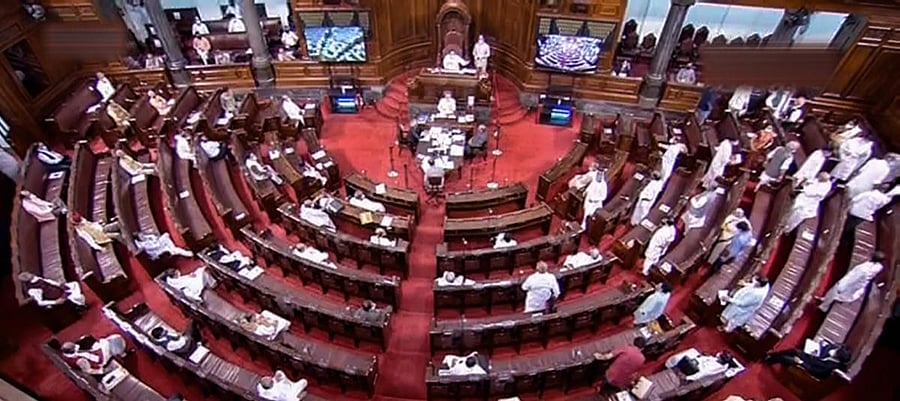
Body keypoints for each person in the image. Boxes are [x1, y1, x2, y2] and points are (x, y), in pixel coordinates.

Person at [819, 252, 884, 312]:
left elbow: (853, 279)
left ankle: (823, 307)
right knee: (833, 292)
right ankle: (825, 299)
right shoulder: (879, 267)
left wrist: (842, 286)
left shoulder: (863, 270)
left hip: (850, 284)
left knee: (834, 292)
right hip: (858, 284)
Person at [764, 341, 850, 380]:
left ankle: (769, 360)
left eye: (835, 353)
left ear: (837, 358)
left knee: (787, 359)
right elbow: (829, 346)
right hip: (812, 358)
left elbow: (814, 370)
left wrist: (800, 362)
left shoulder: (830, 367)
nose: (833, 351)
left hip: (809, 366)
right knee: (794, 351)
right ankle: (772, 355)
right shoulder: (837, 350)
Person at [60, 334, 127, 376]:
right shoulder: (80, 361)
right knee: (109, 344)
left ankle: (118, 351)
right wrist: (104, 370)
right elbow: (89, 370)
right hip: (100, 360)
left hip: (95, 354)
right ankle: (121, 353)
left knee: (103, 343)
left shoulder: (67, 354)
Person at [18, 272, 85, 308]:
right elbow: (40, 302)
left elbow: (48, 281)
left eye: (27, 274)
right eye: (25, 276)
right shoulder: (32, 289)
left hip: (59, 289)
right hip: (57, 296)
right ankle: (80, 305)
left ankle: (79, 302)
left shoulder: (37, 278)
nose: (28, 275)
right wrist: (55, 302)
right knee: (76, 297)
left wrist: (59, 285)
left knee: (74, 284)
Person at [665, 348, 737, 382]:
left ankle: (670, 366)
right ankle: (670, 365)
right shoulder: (716, 359)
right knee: (692, 350)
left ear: (721, 358)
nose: (718, 354)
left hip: (693, 369)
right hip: (696, 361)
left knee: (678, 358)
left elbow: (703, 373)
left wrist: (688, 378)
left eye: (720, 354)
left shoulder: (715, 367)